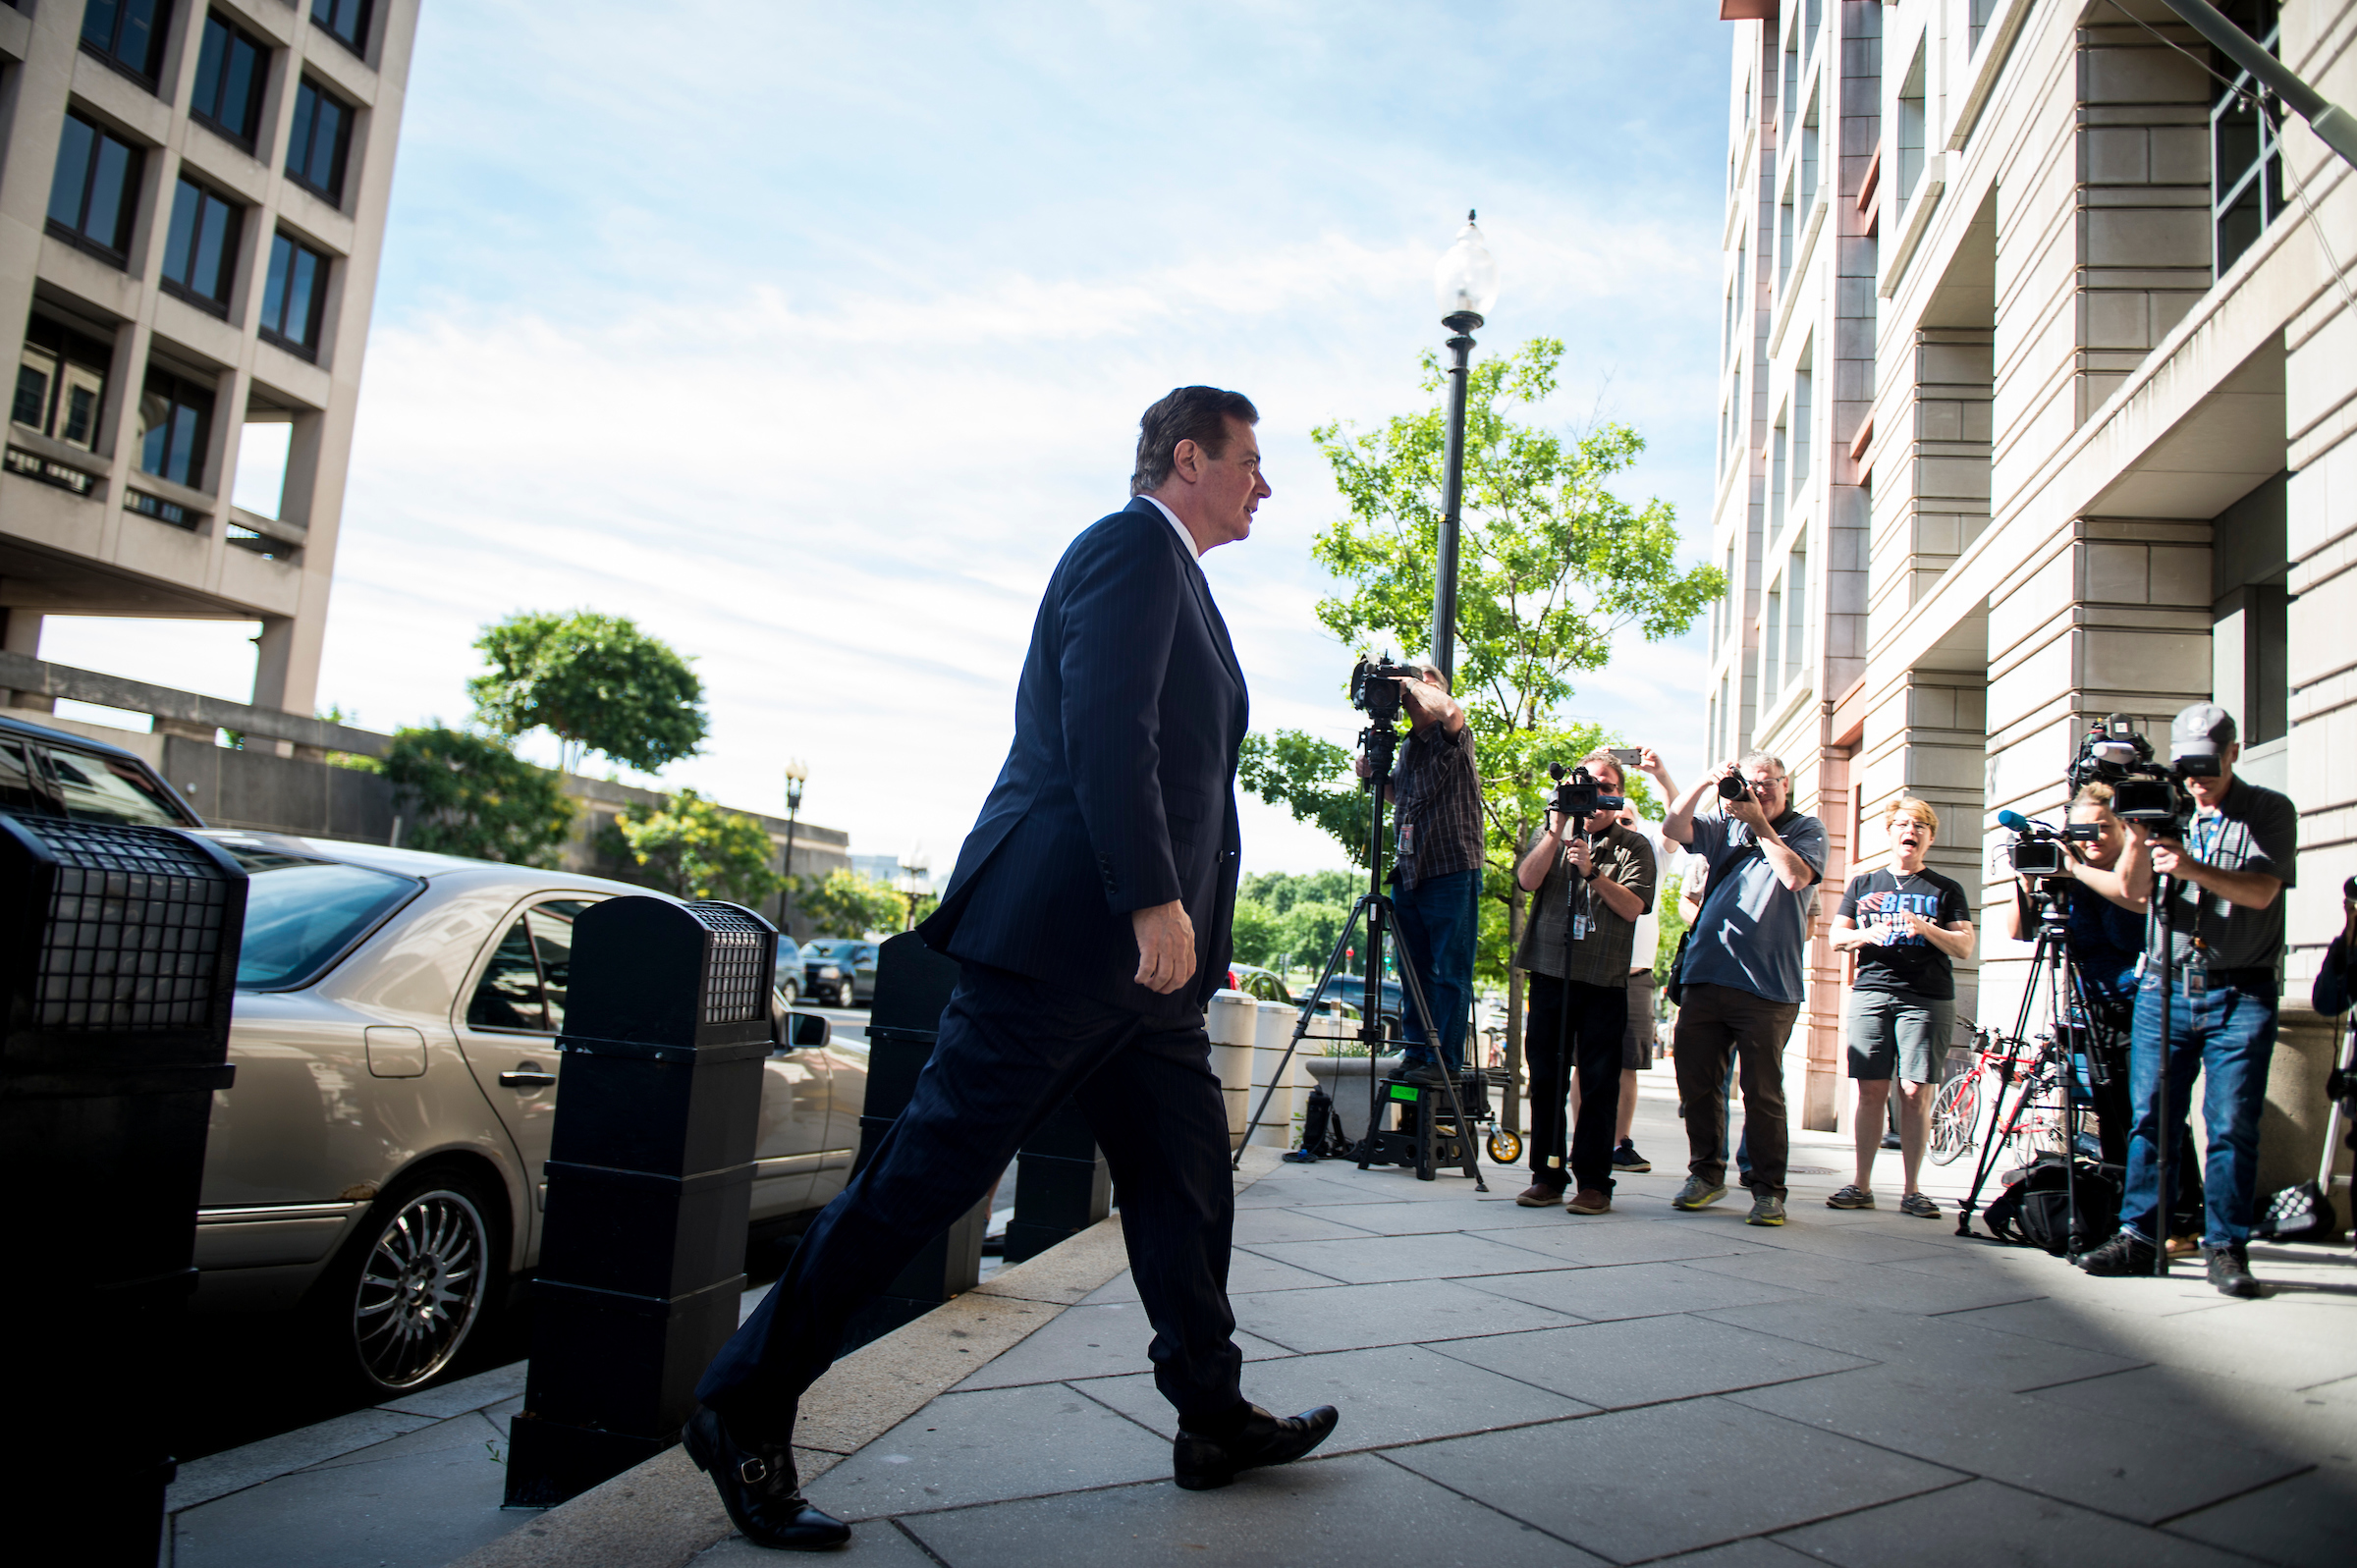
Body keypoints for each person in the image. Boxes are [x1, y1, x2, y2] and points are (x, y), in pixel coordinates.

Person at [683, 387, 1337, 1550]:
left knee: (1188, 1189)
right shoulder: (1128, 548)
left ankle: (1210, 1414)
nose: (1265, 486)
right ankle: (741, 1408)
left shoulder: (1181, 575)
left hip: (1150, 982)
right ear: (1189, 457)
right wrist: (1150, 897)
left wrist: (1183, 934)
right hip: (1065, 948)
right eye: (1251, 461)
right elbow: (1105, 731)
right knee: (921, 1185)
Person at [2082, 704, 2298, 1298]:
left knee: (2230, 1123)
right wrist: (2142, 831)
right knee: (2151, 1117)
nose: (2196, 778)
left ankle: (2225, 1244)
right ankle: (2140, 1234)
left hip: (2240, 987)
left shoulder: (2268, 811)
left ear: (2233, 751)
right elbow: (2131, 890)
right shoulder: (2166, 806)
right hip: (2164, 987)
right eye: (2187, 766)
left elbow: (2260, 892)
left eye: (2207, 764)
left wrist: (2192, 867)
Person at [1989, 782, 2206, 1247]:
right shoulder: (2070, 874)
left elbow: (2135, 899)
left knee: (2154, 1113)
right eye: (2081, 829)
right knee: (2110, 1114)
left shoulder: (2134, 869)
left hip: (2143, 1006)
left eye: (2102, 828)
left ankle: (2185, 1216)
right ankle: (2124, 1212)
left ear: (2125, 828)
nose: (2091, 837)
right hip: (2091, 1013)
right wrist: (2027, 883)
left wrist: (2076, 869)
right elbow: (2020, 930)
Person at [1661, 751, 1827, 1225]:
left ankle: (1768, 1188)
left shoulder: (1807, 830)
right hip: (1706, 974)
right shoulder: (1723, 824)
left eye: (1769, 782)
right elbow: (1674, 829)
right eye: (1751, 783)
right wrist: (1702, 782)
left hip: (1768, 986)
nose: (1760, 790)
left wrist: (1759, 824)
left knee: (1763, 1093)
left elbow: (1794, 877)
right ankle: (1706, 1174)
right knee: (1697, 1084)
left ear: (1786, 784)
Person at [1512, 750, 1657, 1214]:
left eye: (1605, 785)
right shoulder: (1552, 835)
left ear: (1616, 796)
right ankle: (1547, 1175)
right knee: (1548, 1077)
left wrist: (1591, 872)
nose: (1594, 793)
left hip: (1604, 979)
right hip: (1551, 973)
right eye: (1586, 783)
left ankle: (1594, 1181)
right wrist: (1556, 834)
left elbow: (1634, 907)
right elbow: (1527, 881)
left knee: (1598, 1082)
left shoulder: (1633, 846)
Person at [1825, 797, 1975, 1217]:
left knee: (1914, 1092)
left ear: (1930, 837)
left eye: (1921, 826)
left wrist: (1924, 926)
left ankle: (1912, 1190)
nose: (1911, 831)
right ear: (1890, 832)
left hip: (1926, 999)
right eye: (1903, 824)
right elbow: (1836, 937)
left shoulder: (1946, 889)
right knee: (1871, 1090)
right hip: (1872, 993)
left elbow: (1964, 945)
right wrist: (1867, 934)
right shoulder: (1864, 884)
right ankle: (1861, 1184)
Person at [1354, 662, 1481, 1085]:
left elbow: (1448, 711)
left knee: (1449, 971)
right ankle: (1417, 1051)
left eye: (1416, 686)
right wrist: (1375, 776)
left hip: (1450, 868)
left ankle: (1444, 1060)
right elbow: (1401, 797)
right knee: (1414, 970)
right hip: (1410, 871)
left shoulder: (1453, 732)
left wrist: (1409, 680)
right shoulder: (1407, 745)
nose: (1406, 694)